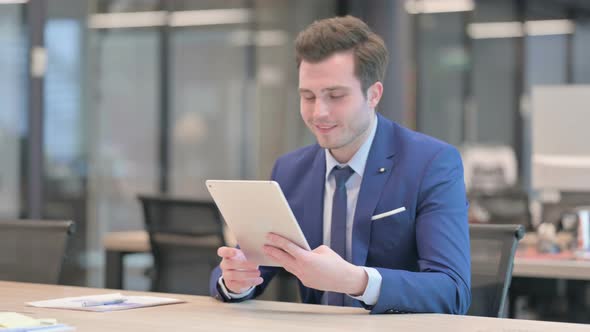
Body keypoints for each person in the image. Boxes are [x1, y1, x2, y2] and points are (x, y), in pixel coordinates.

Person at [209, 15, 471, 315]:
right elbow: (248, 267)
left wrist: (354, 280)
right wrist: (236, 281)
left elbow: (452, 291)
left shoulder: (431, 163)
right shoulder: (290, 171)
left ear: (373, 94)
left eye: (335, 96)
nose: (319, 112)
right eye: (308, 96)